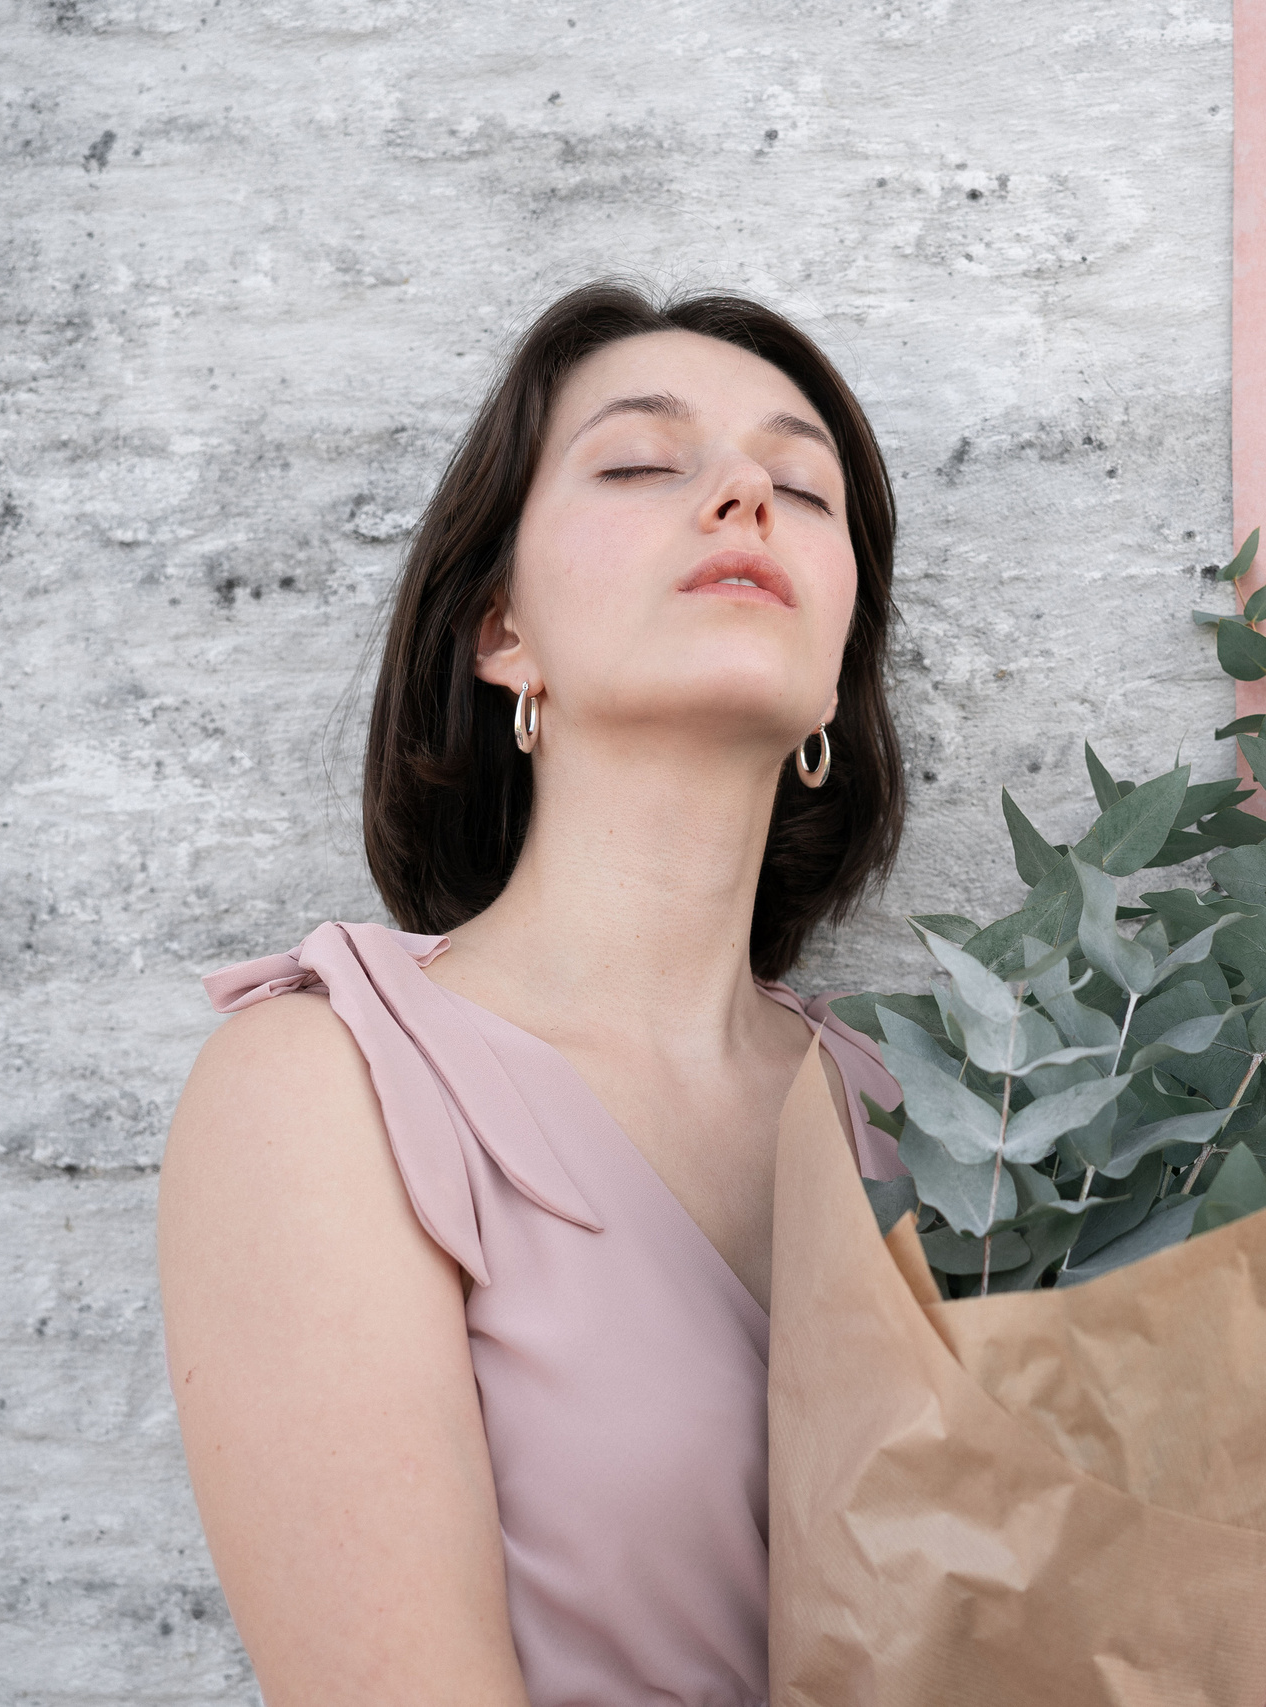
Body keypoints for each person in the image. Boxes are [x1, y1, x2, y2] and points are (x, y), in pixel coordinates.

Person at [157, 282, 910, 1707]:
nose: (747, 492)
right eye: (642, 463)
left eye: (803, 487)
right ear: (503, 630)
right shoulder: (331, 1091)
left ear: (834, 679)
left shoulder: (939, 1116)